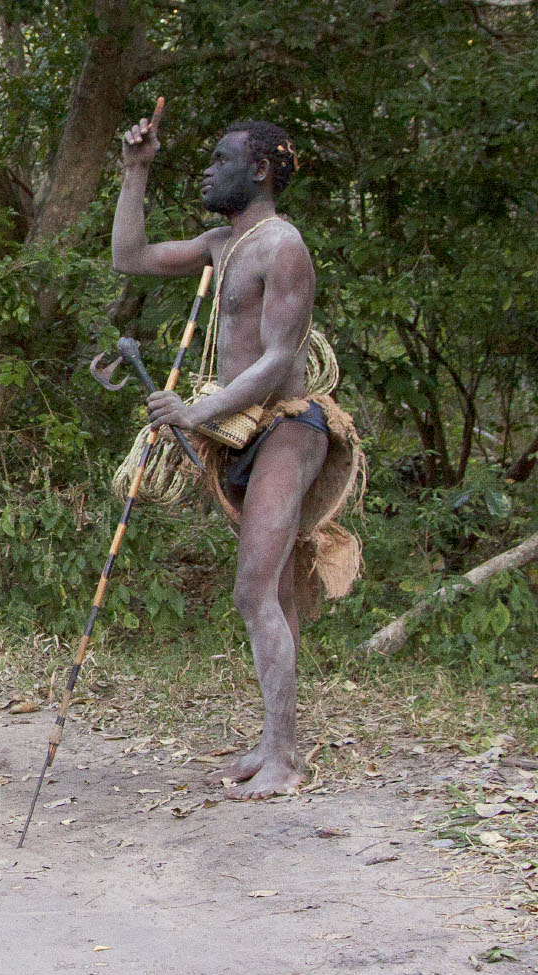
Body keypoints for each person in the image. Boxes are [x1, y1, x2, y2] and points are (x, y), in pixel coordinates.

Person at [112, 113, 355, 800]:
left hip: (288, 427)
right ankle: (277, 746)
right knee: (273, 591)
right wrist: (136, 171)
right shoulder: (225, 243)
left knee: (254, 587)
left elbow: (281, 360)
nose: (206, 170)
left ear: (258, 169)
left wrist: (195, 411)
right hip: (243, 434)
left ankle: (284, 761)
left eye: (220, 159)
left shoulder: (283, 246)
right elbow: (128, 256)